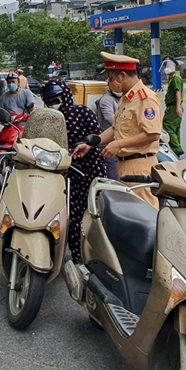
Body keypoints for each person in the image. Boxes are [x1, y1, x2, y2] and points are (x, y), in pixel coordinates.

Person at [73, 52, 162, 209]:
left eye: (110, 78)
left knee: (145, 215)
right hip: (124, 165)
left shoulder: (145, 98)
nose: (109, 82)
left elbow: (153, 134)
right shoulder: (126, 98)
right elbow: (116, 129)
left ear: (122, 76)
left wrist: (119, 144)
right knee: (129, 215)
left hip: (139, 166)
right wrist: (91, 144)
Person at [41, 80, 105, 262]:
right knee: (71, 217)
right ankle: (76, 256)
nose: (54, 102)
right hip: (62, 173)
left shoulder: (82, 111)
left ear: (65, 95)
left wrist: (84, 145)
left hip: (89, 170)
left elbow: (97, 136)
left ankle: (98, 257)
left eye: (56, 98)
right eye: (50, 100)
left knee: (95, 214)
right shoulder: (48, 119)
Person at [94, 77, 121, 179]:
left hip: (121, 142)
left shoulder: (125, 98)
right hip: (109, 143)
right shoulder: (106, 100)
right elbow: (110, 119)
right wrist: (129, 126)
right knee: (113, 175)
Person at [161, 57, 185, 156]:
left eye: (169, 64)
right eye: (165, 64)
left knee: (167, 126)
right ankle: (177, 149)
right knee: (175, 129)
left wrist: (178, 106)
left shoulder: (175, 78)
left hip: (173, 107)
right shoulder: (172, 77)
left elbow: (177, 92)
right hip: (173, 106)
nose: (167, 66)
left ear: (174, 65)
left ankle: (177, 149)